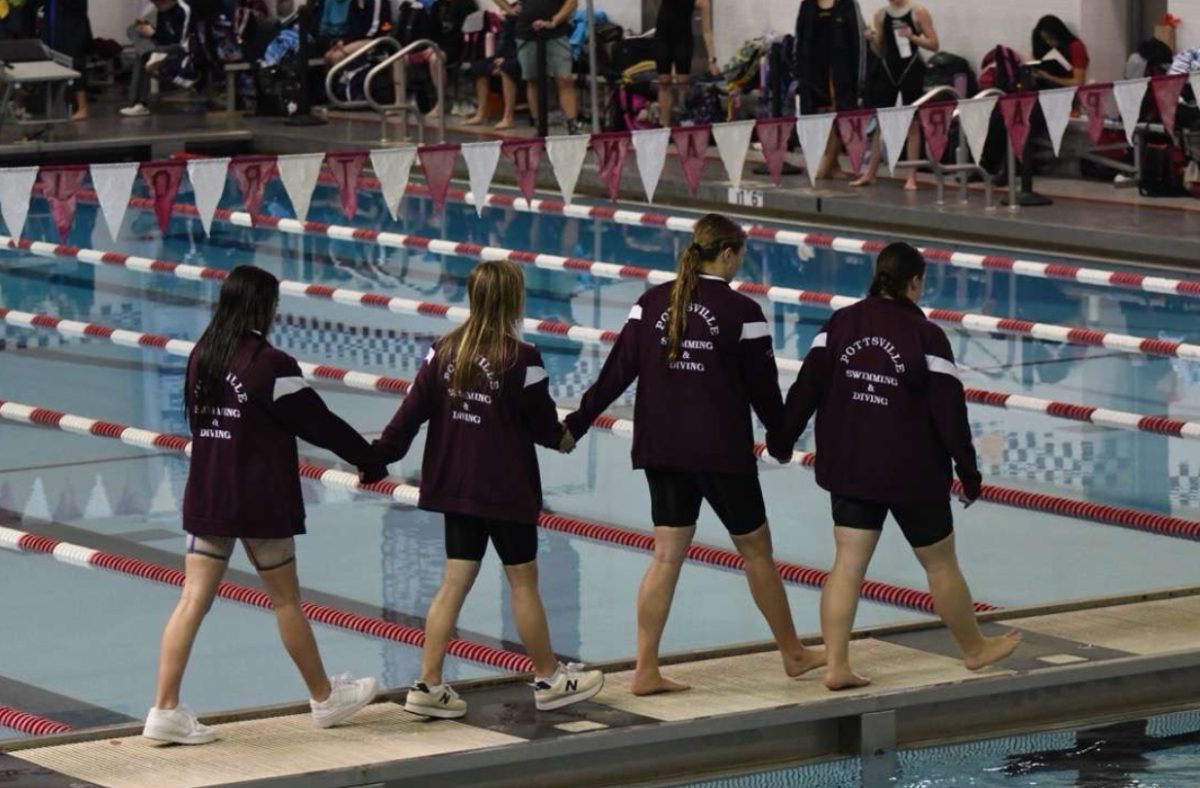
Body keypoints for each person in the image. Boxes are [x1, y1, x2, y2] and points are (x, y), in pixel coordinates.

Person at [564, 214, 825, 696]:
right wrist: (782, 441)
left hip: (661, 448)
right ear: (727, 254)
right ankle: (792, 653)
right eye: (740, 254)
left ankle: (645, 669)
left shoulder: (651, 303)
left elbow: (614, 375)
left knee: (665, 556)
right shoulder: (743, 312)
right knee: (757, 552)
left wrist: (576, 425)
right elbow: (764, 393)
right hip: (719, 450)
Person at [767, 242, 1021, 692]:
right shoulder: (926, 336)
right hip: (912, 471)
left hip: (850, 465)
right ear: (915, 282)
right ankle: (973, 649)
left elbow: (806, 387)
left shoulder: (841, 323)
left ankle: (837, 666)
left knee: (847, 563)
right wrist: (969, 469)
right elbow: (949, 412)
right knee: (940, 563)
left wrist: (782, 439)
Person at [143, 266, 381, 745]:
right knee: (286, 600)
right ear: (261, 307)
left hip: (209, 495)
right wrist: (369, 459)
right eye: (273, 304)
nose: (276, 312)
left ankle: (163, 709)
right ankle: (324, 698)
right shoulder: (270, 363)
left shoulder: (202, 356)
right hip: (258, 501)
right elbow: (319, 423)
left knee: (192, 600)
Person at [365, 261, 604, 718]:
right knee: (523, 582)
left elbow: (409, 416)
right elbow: (543, 427)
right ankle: (550, 679)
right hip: (506, 489)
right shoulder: (523, 358)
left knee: (454, 581)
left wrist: (377, 459)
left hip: (456, 485)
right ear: (514, 300)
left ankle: (428, 684)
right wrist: (566, 435)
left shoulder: (443, 351)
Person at [851, 0, 938, 190]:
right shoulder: (881, 14)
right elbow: (881, 50)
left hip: (911, 70)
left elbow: (934, 44)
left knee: (912, 124)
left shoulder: (918, 12)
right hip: (888, 71)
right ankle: (870, 173)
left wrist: (912, 37)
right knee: (880, 123)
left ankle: (911, 177)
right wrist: (872, 39)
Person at [794, 0, 866, 179]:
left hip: (841, 69)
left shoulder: (848, 5)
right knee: (819, 114)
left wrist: (860, 78)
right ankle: (833, 165)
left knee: (838, 114)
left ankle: (827, 162)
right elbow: (799, 38)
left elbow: (859, 41)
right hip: (814, 69)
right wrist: (799, 72)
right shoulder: (807, 5)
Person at [495, 0, 579, 135]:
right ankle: (539, 125)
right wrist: (509, 9)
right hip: (526, 33)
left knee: (564, 78)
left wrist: (554, 21)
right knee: (533, 79)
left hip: (556, 33)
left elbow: (572, 2)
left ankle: (573, 127)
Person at [121, 0, 195, 118]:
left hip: (178, 50)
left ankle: (139, 104)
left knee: (142, 56)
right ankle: (149, 53)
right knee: (133, 30)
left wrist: (153, 34)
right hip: (160, 49)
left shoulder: (183, 9)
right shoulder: (162, 10)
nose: (157, 6)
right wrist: (146, 28)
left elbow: (179, 41)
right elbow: (161, 35)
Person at [652, 0, 718, 127]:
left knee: (682, 80)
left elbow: (707, 31)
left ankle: (682, 118)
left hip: (683, 39)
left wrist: (712, 60)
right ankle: (664, 126)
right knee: (664, 81)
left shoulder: (702, 2)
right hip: (663, 38)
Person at [464, 11, 521, 129]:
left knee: (506, 67)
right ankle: (481, 113)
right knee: (478, 67)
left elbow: (524, 44)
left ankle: (508, 117)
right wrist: (500, 56)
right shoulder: (511, 17)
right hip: (507, 53)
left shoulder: (529, 16)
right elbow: (506, 43)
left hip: (521, 55)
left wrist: (506, 58)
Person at [37, 0, 91, 120]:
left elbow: (75, 6)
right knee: (54, 64)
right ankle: (56, 105)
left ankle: (83, 107)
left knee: (76, 65)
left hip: (73, 29)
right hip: (54, 28)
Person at [323, 0, 391, 66]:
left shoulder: (377, 2)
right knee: (328, 56)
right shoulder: (354, 2)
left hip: (374, 40)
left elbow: (372, 30)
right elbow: (351, 27)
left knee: (335, 57)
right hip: (358, 38)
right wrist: (342, 41)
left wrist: (347, 42)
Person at [1030, 15, 1088, 89]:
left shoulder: (1075, 46)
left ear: (1058, 34)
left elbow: (1078, 81)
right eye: (1045, 39)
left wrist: (1049, 77)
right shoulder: (1048, 48)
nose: (1048, 42)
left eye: (1050, 38)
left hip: (1070, 92)